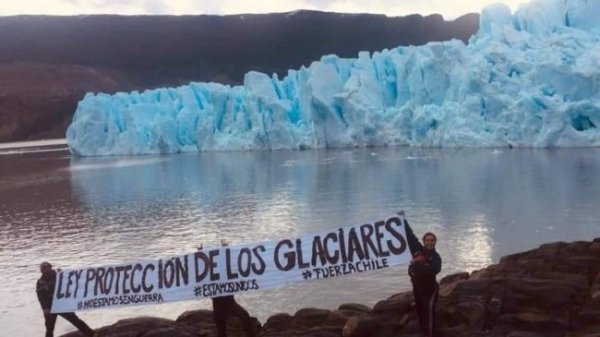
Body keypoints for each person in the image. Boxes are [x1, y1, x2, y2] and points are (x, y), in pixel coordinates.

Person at [198, 241, 257, 337]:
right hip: (219, 309)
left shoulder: (225, 274)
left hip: (231, 305)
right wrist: (200, 252)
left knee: (245, 317)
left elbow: (228, 262)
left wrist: (225, 248)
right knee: (221, 332)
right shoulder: (209, 279)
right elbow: (202, 267)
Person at [399, 211, 442, 337]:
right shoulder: (417, 250)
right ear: (424, 241)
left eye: (432, 240)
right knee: (420, 313)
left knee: (429, 315)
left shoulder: (436, 257)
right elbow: (409, 236)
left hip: (431, 291)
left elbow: (433, 271)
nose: (430, 242)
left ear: (435, 242)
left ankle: (430, 334)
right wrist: (402, 220)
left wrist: (417, 265)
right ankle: (424, 333)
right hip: (417, 289)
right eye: (427, 240)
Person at [36, 262, 96, 337]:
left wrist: (63, 273)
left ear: (51, 267)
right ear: (42, 270)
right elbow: (41, 297)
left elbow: (73, 281)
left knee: (75, 320)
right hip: (50, 307)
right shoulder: (40, 282)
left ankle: (91, 334)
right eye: (44, 268)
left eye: (47, 267)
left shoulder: (60, 275)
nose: (46, 269)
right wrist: (45, 308)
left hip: (62, 304)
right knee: (49, 327)